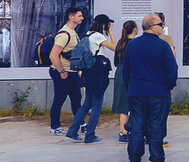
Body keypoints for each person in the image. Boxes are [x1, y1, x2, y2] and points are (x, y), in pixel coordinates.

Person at [123, 12, 179, 162]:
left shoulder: (132, 44)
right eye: (161, 24)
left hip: (136, 91)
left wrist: (131, 87)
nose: (162, 26)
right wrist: (169, 85)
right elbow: (172, 69)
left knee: (136, 127)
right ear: (153, 27)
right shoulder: (163, 45)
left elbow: (125, 69)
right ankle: (157, 157)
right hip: (159, 92)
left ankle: (134, 157)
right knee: (156, 128)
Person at [66, 13, 116, 143]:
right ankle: (90, 135)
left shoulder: (88, 34)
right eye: (107, 24)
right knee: (97, 104)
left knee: (87, 103)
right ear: (104, 24)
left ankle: (72, 131)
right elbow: (116, 48)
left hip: (88, 71)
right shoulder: (98, 36)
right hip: (98, 72)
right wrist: (110, 33)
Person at [48, 6, 85, 137]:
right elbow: (53, 55)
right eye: (79, 16)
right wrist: (62, 71)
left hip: (72, 72)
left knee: (76, 99)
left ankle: (81, 124)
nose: (82, 18)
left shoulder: (73, 32)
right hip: (64, 72)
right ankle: (55, 126)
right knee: (59, 99)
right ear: (71, 17)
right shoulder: (64, 34)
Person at [113, 20, 139, 143]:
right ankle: (128, 132)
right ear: (135, 29)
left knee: (123, 105)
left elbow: (115, 61)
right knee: (134, 104)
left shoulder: (120, 42)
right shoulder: (135, 44)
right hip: (131, 74)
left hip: (119, 73)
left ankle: (123, 132)